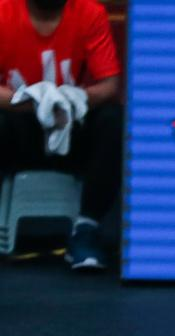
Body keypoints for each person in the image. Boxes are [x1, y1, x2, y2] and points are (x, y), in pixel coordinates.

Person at [0, 0, 122, 269]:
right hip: (20, 130)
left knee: (112, 118)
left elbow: (110, 85)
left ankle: (87, 229)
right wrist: (35, 101)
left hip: (71, 130)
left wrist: (70, 100)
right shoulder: (3, 12)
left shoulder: (90, 13)